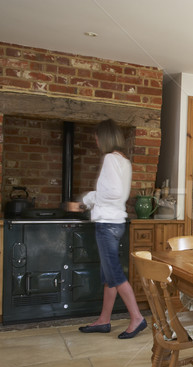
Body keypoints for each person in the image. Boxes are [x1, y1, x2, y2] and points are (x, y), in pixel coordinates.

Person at [67, 119, 146, 339]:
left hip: (107, 224)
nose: (95, 140)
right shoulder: (124, 161)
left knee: (115, 274)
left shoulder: (111, 158)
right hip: (116, 223)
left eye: (96, 136)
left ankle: (137, 318)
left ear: (104, 138)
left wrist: (87, 200)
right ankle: (104, 320)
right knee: (108, 274)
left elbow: (113, 193)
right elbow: (119, 194)